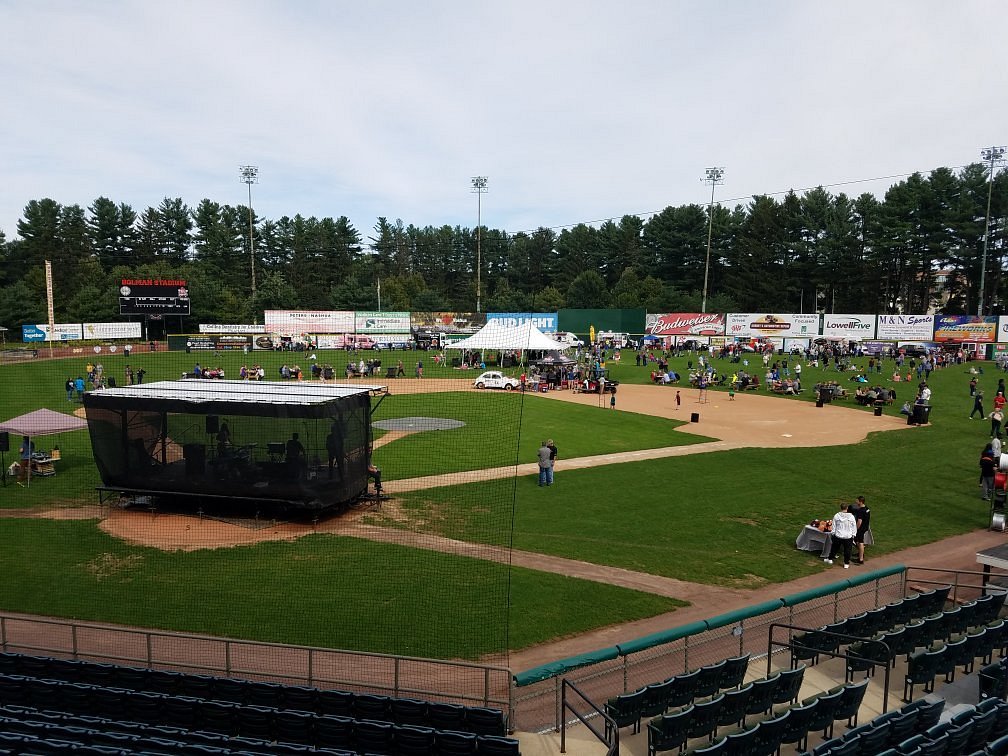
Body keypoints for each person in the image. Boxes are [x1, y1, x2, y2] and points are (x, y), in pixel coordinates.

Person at [824, 502, 858, 568]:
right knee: (847, 550)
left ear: (841, 508)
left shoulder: (836, 515)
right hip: (848, 537)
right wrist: (853, 535)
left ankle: (830, 559)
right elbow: (854, 526)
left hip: (838, 535)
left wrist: (833, 533)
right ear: (847, 508)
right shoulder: (851, 517)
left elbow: (834, 526)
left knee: (834, 548)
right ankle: (846, 564)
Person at [852, 495, 872, 565]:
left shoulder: (861, 511)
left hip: (860, 528)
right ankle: (860, 553)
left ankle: (860, 559)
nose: (855, 501)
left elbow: (859, 522)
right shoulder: (867, 508)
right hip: (865, 527)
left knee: (860, 542)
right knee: (856, 540)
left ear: (860, 502)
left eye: (857, 500)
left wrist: (856, 529)